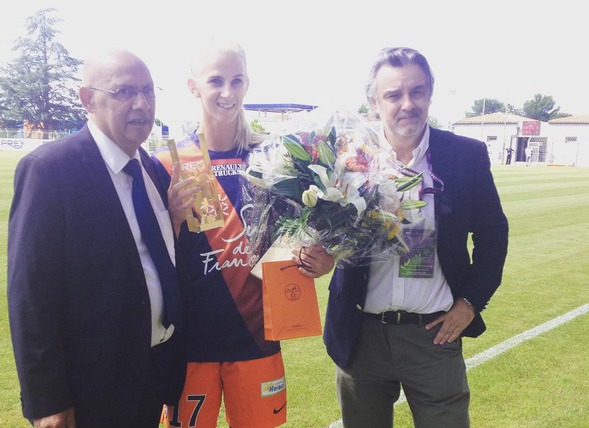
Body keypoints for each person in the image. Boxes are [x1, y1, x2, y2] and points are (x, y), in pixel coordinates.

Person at [321, 47, 509, 427]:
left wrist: (470, 302)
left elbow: (494, 236)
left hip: (433, 335)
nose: (407, 104)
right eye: (393, 95)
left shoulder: (465, 155)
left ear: (430, 94)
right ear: (373, 102)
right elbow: (326, 230)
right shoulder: (347, 156)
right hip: (362, 335)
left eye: (417, 92)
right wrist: (319, 253)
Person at [153, 38, 329, 428]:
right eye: (215, 81)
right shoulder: (167, 163)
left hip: (257, 340)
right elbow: (147, 255)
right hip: (189, 345)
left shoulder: (273, 160)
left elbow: (302, 236)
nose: (227, 92)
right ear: (193, 86)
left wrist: (321, 259)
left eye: (237, 80)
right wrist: (175, 218)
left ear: (247, 83)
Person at [8, 49, 186, 428]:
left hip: (152, 371)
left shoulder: (152, 169)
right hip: (91, 387)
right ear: (87, 99)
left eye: (149, 91)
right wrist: (47, 400)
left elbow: (151, 259)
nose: (142, 104)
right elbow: (31, 294)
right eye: (124, 91)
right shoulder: (50, 171)